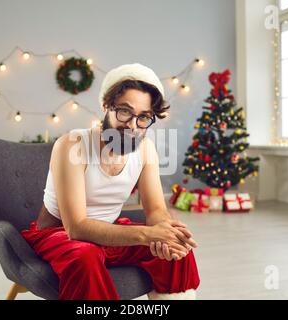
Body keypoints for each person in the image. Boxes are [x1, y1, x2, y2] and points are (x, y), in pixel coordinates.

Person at [21, 63, 200, 300]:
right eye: (125, 111)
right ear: (106, 106)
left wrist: (165, 233)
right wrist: (148, 235)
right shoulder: (72, 145)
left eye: (144, 117)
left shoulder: (146, 149)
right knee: (85, 256)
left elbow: (156, 209)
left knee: (178, 251)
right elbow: (76, 228)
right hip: (59, 235)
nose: (132, 126)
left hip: (108, 234)